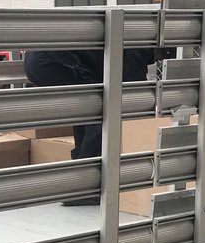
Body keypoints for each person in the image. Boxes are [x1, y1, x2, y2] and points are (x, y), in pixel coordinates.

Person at [23, 47, 154, 205]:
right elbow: (134, 97)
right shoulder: (133, 54)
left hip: (39, 59)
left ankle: (79, 179)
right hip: (55, 60)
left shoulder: (130, 43)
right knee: (103, 114)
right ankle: (83, 188)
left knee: (86, 113)